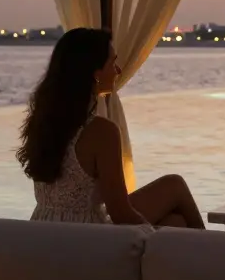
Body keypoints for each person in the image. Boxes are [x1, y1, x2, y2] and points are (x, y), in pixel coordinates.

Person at [19, 28, 205, 229]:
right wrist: (151, 234)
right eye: (112, 63)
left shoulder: (44, 121)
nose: (118, 71)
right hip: (86, 236)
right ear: (94, 73)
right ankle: (213, 246)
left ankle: (204, 245)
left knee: (175, 222)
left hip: (43, 230)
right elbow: (120, 213)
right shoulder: (101, 132)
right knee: (174, 186)